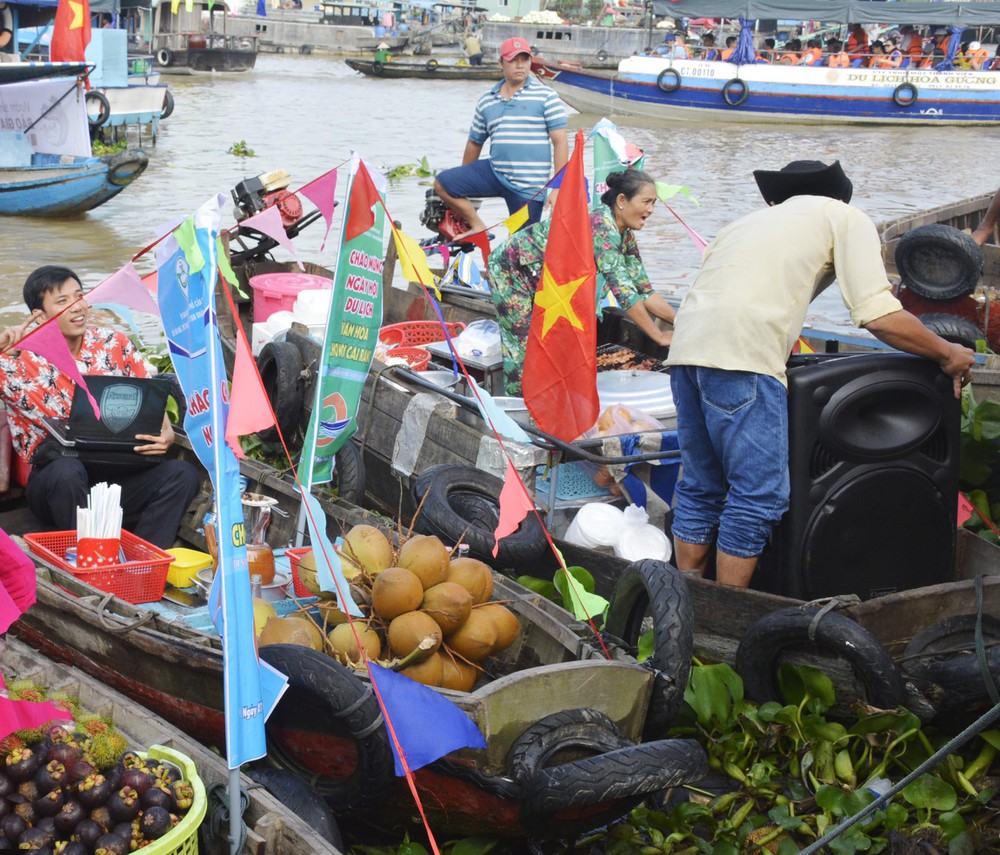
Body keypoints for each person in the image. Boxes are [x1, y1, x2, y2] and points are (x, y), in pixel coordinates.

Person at [665, 161, 975, 588]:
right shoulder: (843, 216)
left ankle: (685, 599)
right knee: (758, 496)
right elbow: (878, 314)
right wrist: (947, 353)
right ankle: (727, 611)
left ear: (781, 198)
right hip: (743, 355)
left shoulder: (743, 224)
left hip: (686, 352)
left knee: (702, 487)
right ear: (837, 194)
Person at [0, 266, 200, 549]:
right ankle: (90, 560)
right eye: (62, 302)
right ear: (39, 316)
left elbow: (150, 394)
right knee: (67, 470)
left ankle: (144, 560)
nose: (78, 306)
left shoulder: (112, 342)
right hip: (56, 485)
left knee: (182, 474)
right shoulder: (16, 361)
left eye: (79, 296)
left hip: (116, 476)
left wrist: (166, 431)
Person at [487, 169, 676, 395]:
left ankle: (548, 400)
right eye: (646, 202)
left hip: (548, 281)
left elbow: (644, 291)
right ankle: (517, 411)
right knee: (523, 351)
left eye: (654, 203)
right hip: (512, 273)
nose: (651, 210)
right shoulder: (602, 226)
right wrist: (658, 336)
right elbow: (625, 294)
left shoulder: (624, 235)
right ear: (622, 201)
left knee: (552, 345)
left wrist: (680, 320)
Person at [434, 37, 568, 238]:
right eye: (513, 60)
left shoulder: (546, 96)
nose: (520, 65)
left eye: (525, 59)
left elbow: (561, 142)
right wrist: (465, 186)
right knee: (443, 184)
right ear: (501, 64)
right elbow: (474, 142)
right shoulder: (487, 100)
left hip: (528, 187)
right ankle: (477, 226)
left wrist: (558, 187)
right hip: (495, 172)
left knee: (522, 249)